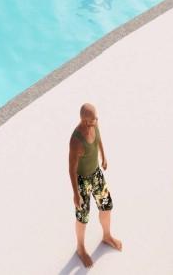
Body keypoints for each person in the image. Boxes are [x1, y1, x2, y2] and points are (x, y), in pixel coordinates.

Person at [69, 103, 122, 268]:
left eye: (96, 118)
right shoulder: (76, 141)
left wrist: (103, 156)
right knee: (83, 217)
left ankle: (107, 236)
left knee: (106, 206)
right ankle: (80, 248)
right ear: (85, 121)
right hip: (83, 181)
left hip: (97, 174)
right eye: (93, 119)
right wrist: (76, 194)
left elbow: (99, 140)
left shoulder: (94, 124)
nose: (96, 120)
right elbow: (71, 169)